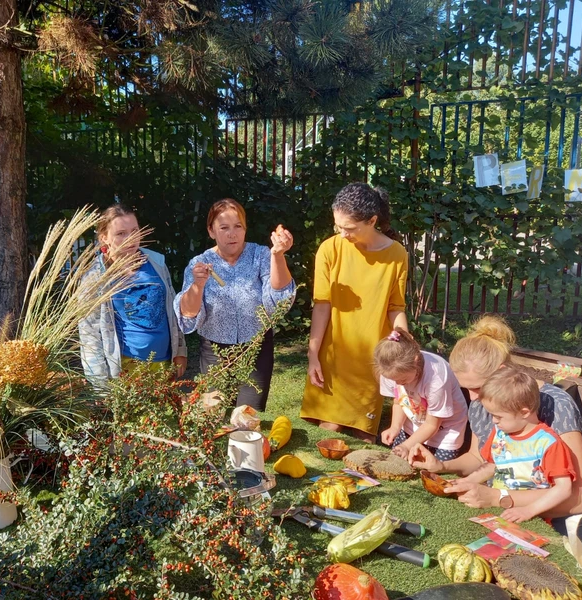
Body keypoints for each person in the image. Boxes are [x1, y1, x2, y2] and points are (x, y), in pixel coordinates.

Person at [408, 315, 582, 516]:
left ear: (501, 371)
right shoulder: (482, 403)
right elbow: (479, 457)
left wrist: (498, 497)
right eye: (465, 388)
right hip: (497, 506)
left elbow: (580, 498)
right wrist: (441, 466)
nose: (472, 397)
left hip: (549, 518)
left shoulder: (557, 406)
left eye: (477, 387)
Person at [300, 183, 408, 442]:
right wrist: (313, 353)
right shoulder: (330, 248)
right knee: (329, 428)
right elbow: (322, 304)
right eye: (338, 226)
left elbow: (396, 307)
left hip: (370, 355)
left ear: (372, 220)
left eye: (349, 228)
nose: (342, 233)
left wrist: (405, 340)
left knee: (364, 435)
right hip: (335, 350)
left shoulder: (397, 254)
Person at [174, 198, 295, 410]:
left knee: (247, 418)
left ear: (245, 229)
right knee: (213, 415)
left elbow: (279, 298)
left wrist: (277, 255)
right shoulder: (199, 264)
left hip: (256, 350)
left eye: (238, 226)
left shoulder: (260, 255)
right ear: (211, 231)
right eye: (224, 228)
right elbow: (188, 315)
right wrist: (197, 285)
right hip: (214, 353)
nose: (233, 233)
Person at [453, 367, 579, 523]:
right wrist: (468, 481)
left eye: (498, 416)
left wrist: (529, 510)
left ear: (524, 412)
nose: (493, 421)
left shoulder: (547, 444)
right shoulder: (500, 433)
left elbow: (563, 488)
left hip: (531, 516)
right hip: (497, 508)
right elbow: (493, 465)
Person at [79, 204, 187, 384]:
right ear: (104, 237)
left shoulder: (156, 262)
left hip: (163, 363)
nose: (130, 238)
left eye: (134, 230)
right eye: (121, 233)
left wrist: (180, 351)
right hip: (125, 368)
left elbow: (172, 308)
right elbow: (89, 334)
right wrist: (99, 383)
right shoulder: (95, 277)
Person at [376, 327, 468, 462]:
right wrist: (395, 427)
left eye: (403, 380)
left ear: (415, 361)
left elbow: (432, 425)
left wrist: (407, 445)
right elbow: (399, 401)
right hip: (413, 424)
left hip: (444, 433)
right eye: (394, 380)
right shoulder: (389, 370)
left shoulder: (436, 378)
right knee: (400, 464)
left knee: (431, 472)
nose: (398, 384)